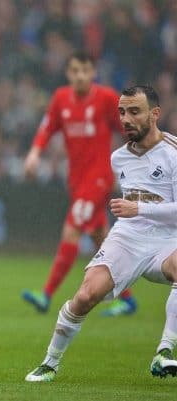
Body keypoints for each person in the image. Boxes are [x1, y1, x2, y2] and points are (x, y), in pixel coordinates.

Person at [26, 85, 177, 382]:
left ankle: (166, 350)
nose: (126, 118)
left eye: (134, 111)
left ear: (155, 114)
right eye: (122, 112)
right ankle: (50, 363)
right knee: (85, 295)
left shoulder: (173, 153)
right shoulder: (118, 158)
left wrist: (139, 210)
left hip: (168, 240)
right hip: (129, 237)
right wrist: (132, 215)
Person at [22, 51, 138, 317]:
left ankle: (46, 293)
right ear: (68, 73)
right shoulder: (60, 98)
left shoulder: (107, 98)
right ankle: (128, 299)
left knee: (72, 230)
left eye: (85, 70)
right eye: (75, 71)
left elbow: (128, 129)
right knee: (102, 239)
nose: (80, 76)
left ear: (93, 73)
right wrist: (34, 153)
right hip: (76, 179)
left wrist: (137, 161)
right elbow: (47, 128)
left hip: (98, 178)